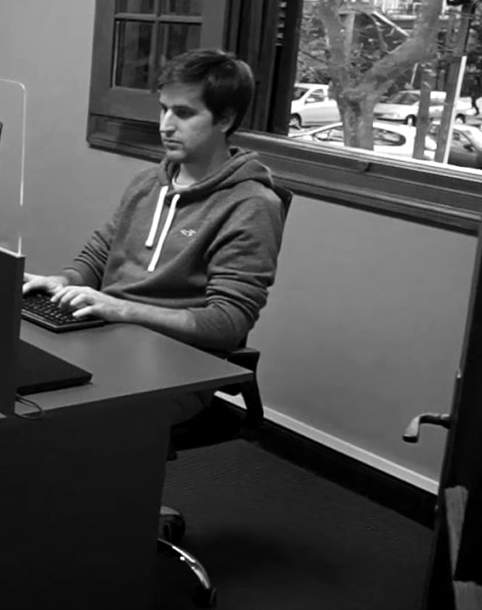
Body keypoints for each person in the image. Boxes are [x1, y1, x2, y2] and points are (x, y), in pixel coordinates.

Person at [21, 49, 285, 424]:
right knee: (13, 384)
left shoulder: (252, 205)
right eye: (163, 109)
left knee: (52, 415)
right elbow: (99, 255)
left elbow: (228, 323)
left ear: (225, 119)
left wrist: (124, 310)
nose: (165, 125)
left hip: (175, 365)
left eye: (184, 113)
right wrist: (64, 280)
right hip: (104, 338)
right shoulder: (149, 183)